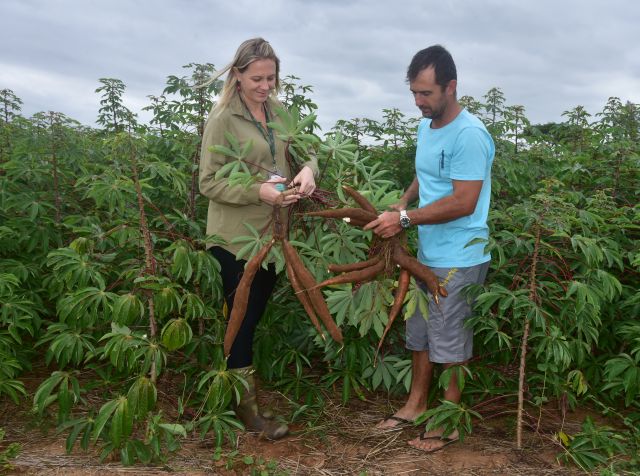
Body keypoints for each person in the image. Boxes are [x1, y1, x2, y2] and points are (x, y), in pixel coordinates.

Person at [365, 45, 494, 453]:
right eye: (414, 93)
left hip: (460, 255)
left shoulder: (470, 135)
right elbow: (426, 175)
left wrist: (404, 220)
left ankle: (448, 420)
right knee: (420, 333)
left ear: (450, 87)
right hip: (428, 251)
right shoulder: (428, 125)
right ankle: (416, 405)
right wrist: (404, 201)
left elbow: (463, 201)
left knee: (450, 340)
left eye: (426, 94)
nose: (418, 102)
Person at [198, 38, 318, 440]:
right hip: (235, 239)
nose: (266, 86)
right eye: (257, 79)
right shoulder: (223, 119)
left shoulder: (280, 113)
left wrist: (309, 171)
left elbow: (307, 150)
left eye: (271, 78)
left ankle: (234, 392)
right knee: (242, 319)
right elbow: (208, 182)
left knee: (253, 316)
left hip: (273, 234)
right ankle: (247, 411)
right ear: (237, 75)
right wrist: (257, 191)